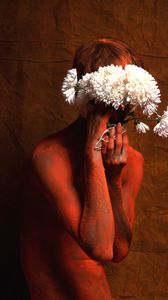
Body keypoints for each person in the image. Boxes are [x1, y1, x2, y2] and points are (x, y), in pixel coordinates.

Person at [20, 38, 144, 300]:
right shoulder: (49, 157)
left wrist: (113, 179)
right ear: (86, 98)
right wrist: (92, 153)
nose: (121, 106)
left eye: (128, 93)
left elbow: (117, 252)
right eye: (111, 95)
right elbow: (98, 248)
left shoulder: (131, 161)